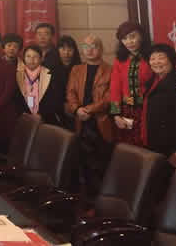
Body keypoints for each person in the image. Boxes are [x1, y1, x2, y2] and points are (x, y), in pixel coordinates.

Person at [65, 35, 114, 198]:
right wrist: (77, 109)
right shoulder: (76, 69)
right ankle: (87, 200)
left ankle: (102, 201)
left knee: (101, 165)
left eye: (94, 46)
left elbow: (109, 97)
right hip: (80, 122)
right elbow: (70, 92)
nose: (89, 50)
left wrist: (88, 110)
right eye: (86, 47)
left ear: (101, 49)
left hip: (100, 123)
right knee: (83, 164)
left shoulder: (111, 70)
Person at [142, 44, 176, 168]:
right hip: (157, 141)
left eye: (161, 57)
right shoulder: (152, 81)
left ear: (171, 59)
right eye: (152, 58)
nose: (156, 62)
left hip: (173, 147)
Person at [109, 22, 153, 146]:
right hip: (127, 109)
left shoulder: (152, 56)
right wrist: (116, 114)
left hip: (148, 109)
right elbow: (115, 88)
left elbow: (166, 73)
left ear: (142, 36)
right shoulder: (120, 60)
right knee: (128, 146)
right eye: (124, 38)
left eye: (133, 36)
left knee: (147, 144)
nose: (129, 42)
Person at [14, 45, 63, 125]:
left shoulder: (50, 74)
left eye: (35, 56)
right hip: (23, 117)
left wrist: (41, 115)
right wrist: (24, 114)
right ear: (24, 58)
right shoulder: (18, 74)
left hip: (45, 118)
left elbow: (55, 99)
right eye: (28, 56)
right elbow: (15, 98)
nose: (31, 60)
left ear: (41, 58)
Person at [54, 35, 82, 128]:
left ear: (75, 51)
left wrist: (73, 106)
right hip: (56, 109)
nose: (66, 52)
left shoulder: (80, 68)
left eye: (70, 49)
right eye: (63, 49)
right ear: (58, 50)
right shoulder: (51, 68)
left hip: (77, 107)